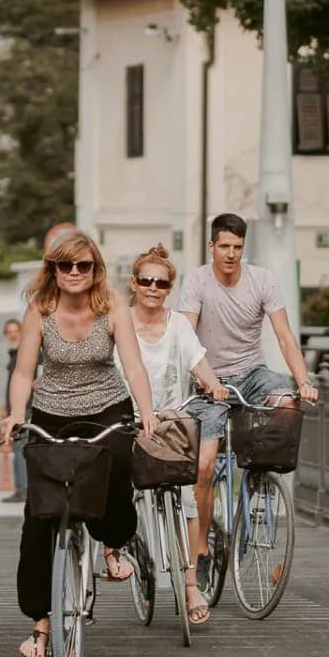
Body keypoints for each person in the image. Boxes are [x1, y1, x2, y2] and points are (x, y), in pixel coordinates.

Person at [1, 231, 157, 657]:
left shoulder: (112, 307)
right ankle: (40, 624)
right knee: (39, 517)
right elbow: (23, 372)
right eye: (65, 266)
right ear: (53, 269)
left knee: (118, 470)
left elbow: (133, 365)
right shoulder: (40, 310)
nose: (74, 273)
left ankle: (114, 541)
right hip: (52, 412)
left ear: (95, 269)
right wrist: (17, 413)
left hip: (107, 407)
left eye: (83, 266)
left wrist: (146, 411)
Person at [179, 213, 320, 569]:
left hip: (251, 372)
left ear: (244, 247)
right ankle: (202, 548)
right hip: (209, 379)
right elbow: (185, 336)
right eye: (223, 246)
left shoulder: (262, 280)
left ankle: (258, 478)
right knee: (206, 466)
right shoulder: (196, 281)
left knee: (286, 400)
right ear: (212, 246)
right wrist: (207, 379)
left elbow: (284, 336)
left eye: (237, 247)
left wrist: (303, 380)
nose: (230, 254)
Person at [126, 243, 226, 625]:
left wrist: (213, 385)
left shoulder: (178, 325)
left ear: (170, 288)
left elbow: (198, 361)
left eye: (162, 283)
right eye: (146, 280)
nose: (154, 287)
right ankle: (118, 550)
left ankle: (189, 584)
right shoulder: (119, 323)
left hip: (171, 421)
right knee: (115, 487)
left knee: (185, 497)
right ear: (134, 284)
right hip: (130, 420)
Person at [0, 318, 28, 503]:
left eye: (15, 330)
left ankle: (23, 490)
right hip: (16, 411)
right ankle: (22, 489)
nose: (12, 334)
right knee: (19, 450)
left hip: (26, 411)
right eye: (9, 331)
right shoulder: (14, 354)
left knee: (21, 450)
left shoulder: (26, 353)